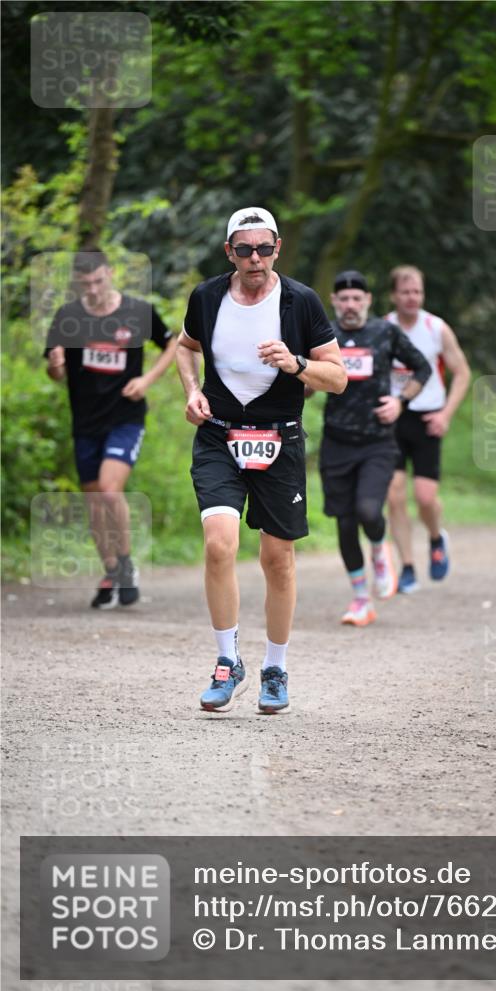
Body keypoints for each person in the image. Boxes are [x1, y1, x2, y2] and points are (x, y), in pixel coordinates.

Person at [176, 207, 346, 715]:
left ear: (278, 248)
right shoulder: (207, 297)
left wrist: (295, 364)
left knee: (279, 562)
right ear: (229, 252)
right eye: (245, 249)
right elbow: (185, 348)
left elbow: (336, 377)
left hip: (281, 439)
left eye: (264, 248)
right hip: (219, 436)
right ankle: (227, 663)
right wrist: (191, 391)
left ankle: (275, 667)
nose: (256, 259)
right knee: (219, 546)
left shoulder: (300, 302)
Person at [45, 249, 176, 609]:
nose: (93, 289)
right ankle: (111, 569)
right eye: (85, 283)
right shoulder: (68, 316)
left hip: (125, 417)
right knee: (93, 504)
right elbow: (55, 372)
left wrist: (147, 380)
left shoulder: (137, 312)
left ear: (111, 273)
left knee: (108, 490)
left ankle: (128, 564)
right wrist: (56, 364)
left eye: (99, 281)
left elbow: (173, 344)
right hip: (85, 421)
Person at [317, 269, 431, 627]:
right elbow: (306, 381)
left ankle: (381, 550)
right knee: (345, 524)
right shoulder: (325, 336)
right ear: (334, 302)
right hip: (336, 442)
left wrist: (400, 402)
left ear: (367, 301)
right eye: (344, 299)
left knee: (368, 510)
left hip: (377, 442)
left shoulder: (385, 332)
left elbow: (422, 368)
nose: (350, 305)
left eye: (357, 298)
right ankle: (360, 600)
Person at [385, 265, 470, 593]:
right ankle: (407, 566)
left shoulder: (437, 328)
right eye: (405, 292)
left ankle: (436, 537)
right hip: (394, 418)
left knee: (424, 498)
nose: (412, 298)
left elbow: (462, 372)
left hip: (428, 418)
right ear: (394, 295)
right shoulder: (383, 328)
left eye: (417, 291)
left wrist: (446, 413)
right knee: (394, 496)